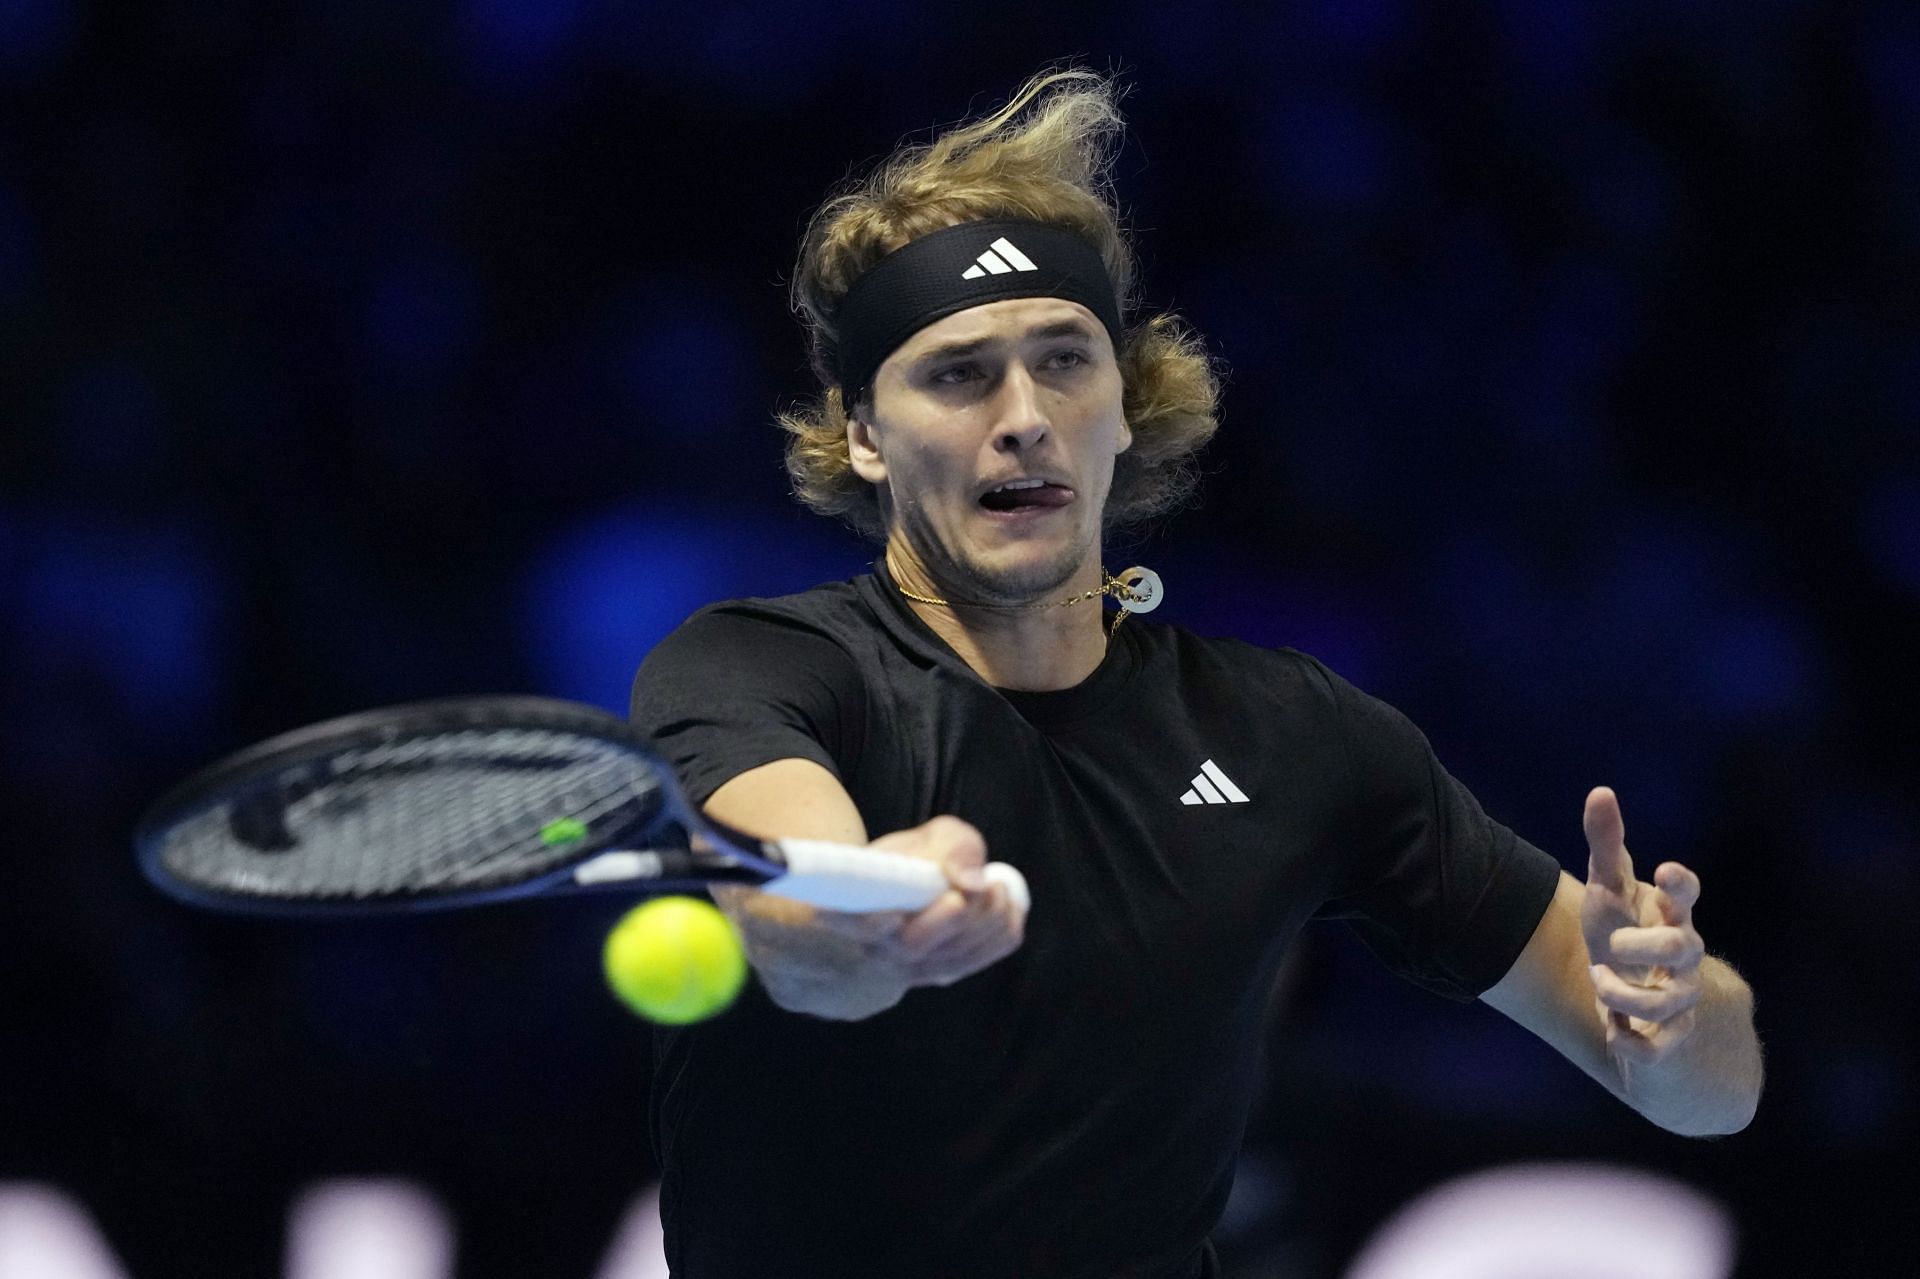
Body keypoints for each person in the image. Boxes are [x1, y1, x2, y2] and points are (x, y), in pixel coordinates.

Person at [628, 68, 1764, 1278]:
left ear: (1125, 407)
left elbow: (1711, 1093)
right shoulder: (757, 666)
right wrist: (877, 908)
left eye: (1065, 360)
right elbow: (793, 914)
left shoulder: (1293, 731)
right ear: (863, 433)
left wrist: (1672, 1013)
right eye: (958, 373)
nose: (1024, 416)